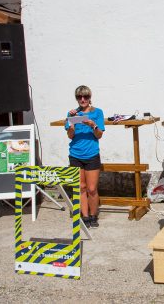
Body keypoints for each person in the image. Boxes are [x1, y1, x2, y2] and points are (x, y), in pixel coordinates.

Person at [65, 85, 105, 228]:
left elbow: (99, 135)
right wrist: (71, 124)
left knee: (92, 189)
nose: (83, 99)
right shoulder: (72, 113)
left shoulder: (97, 112)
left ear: (90, 97)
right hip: (75, 154)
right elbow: (70, 135)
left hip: (92, 154)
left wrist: (93, 125)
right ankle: (85, 216)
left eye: (85, 96)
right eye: (79, 97)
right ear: (76, 98)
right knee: (81, 187)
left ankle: (94, 215)